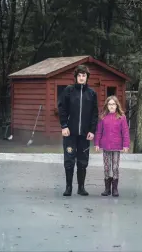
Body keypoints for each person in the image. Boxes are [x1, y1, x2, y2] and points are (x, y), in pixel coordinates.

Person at [57, 65, 99, 196]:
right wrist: (64, 125)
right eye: (79, 75)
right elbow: (62, 108)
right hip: (70, 133)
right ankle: (68, 187)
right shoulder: (68, 91)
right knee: (69, 160)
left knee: (83, 161)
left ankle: (81, 187)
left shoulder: (92, 93)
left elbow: (94, 113)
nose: (81, 78)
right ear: (76, 77)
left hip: (85, 134)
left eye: (84, 75)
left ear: (87, 77)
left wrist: (92, 130)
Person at [94, 95, 130, 197]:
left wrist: (126, 145)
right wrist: (97, 143)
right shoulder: (103, 117)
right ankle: (107, 189)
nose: (111, 106)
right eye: (109, 104)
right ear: (107, 105)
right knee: (106, 167)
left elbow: (125, 132)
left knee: (115, 167)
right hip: (105, 146)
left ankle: (115, 189)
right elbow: (99, 132)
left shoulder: (121, 118)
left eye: (113, 104)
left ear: (117, 105)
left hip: (117, 146)